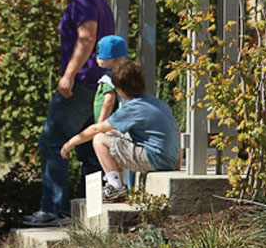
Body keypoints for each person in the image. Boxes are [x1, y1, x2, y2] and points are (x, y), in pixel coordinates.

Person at [23, 0, 114, 227]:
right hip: (98, 85)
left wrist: (69, 75)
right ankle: (95, 211)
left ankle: (54, 209)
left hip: (82, 83)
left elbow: (86, 37)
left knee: (52, 140)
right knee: (89, 150)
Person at [60, 60, 181, 201]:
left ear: (119, 90)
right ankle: (117, 182)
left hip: (153, 159)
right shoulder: (159, 104)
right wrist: (176, 166)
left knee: (100, 139)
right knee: (113, 135)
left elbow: (96, 129)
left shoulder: (133, 108)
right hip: (168, 160)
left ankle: (116, 186)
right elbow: (176, 133)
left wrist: (70, 143)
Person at [94, 34, 128, 123]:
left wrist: (100, 124)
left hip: (111, 123)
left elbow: (109, 101)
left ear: (112, 59)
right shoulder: (127, 75)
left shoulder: (108, 79)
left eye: (99, 54)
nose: (97, 57)